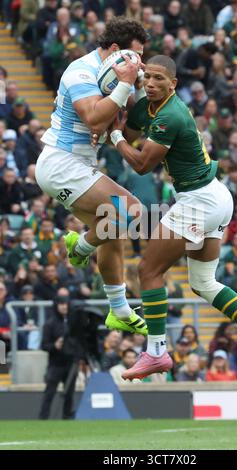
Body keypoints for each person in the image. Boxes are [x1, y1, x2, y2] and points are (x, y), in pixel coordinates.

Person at [104, 54, 237, 380]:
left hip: (200, 201)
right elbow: (128, 132)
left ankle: (156, 351)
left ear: (174, 84)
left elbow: (141, 162)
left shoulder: (170, 114)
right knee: (203, 283)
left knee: (148, 269)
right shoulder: (147, 106)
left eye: (160, 79)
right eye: (149, 78)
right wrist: (117, 108)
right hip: (213, 196)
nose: (153, 84)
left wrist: (114, 136)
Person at [35, 17, 149, 338]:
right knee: (134, 211)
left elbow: (127, 128)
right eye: (135, 55)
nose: (139, 64)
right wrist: (126, 85)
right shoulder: (81, 71)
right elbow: (93, 117)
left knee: (113, 232)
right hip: (61, 163)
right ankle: (81, 246)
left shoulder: (112, 75)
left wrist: (140, 94)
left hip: (77, 166)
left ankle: (119, 310)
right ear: (115, 50)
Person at [39, 293, 80, 419]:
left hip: (71, 363)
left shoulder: (73, 323)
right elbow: (44, 345)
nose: (64, 307)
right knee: (49, 393)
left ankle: (67, 417)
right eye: (61, 304)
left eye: (66, 304)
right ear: (56, 306)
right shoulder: (50, 324)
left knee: (69, 394)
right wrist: (54, 346)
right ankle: (43, 418)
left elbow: (80, 341)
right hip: (55, 364)